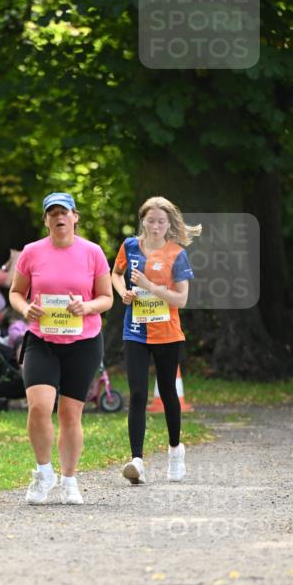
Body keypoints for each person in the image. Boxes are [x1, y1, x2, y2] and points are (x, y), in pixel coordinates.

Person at [9, 192, 113, 505]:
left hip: (83, 341)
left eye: (64, 212)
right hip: (42, 339)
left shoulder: (93, 253)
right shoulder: (31, 252)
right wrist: (26, 309)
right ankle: (44, 473)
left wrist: (87, 306)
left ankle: (69, 480)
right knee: (39, 407)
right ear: (46, 220)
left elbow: (107, 297)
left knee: (70, 413)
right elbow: (16, 292)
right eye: (52, 213)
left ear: (75, 217)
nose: (59, 218)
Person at [111, 196, 201, 484]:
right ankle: (137, 460)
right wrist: (121, 292)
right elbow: (116, 274)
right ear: (143, 220)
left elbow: (182, 299)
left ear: (169, 223)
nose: (155, 226)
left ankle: (175, 450)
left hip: (166, 333)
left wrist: (150, 286)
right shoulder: (129, 246)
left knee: (167, 393)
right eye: (150, 220)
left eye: (161, 221)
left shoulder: (177, 253)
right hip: (135, 330)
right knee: (137, 394)